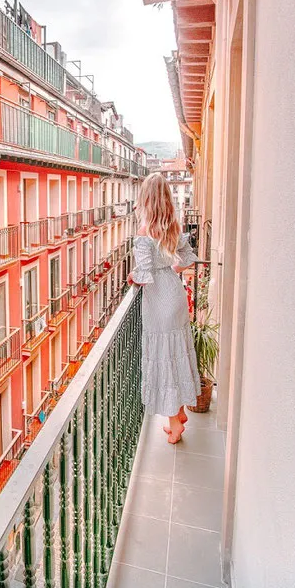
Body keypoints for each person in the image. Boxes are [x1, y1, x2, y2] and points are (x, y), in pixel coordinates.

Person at [127, 173, 200, 444]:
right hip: (174, 292)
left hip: (158, 299)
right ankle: (179, 413)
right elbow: (188, 257)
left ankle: (174, 423)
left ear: (146, 197)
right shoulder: (172, 225)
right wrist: (171, 269)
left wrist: (134, 276)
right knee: (176, 353)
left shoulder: (145, 231)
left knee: (165, 360)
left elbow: (144, 275)